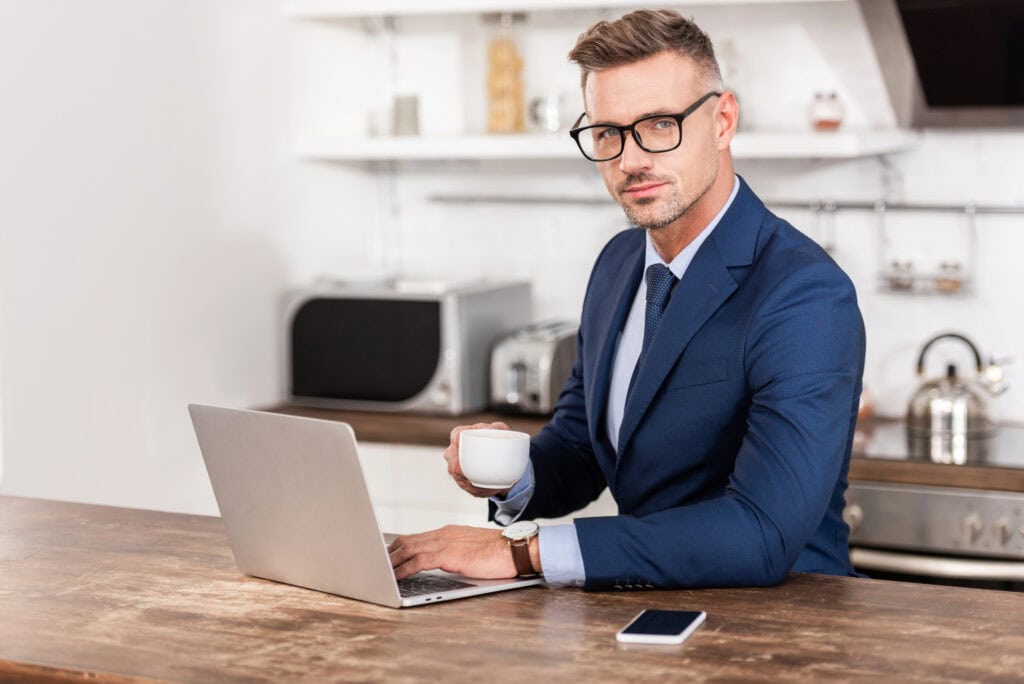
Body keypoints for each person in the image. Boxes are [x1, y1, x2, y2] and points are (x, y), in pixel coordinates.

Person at [388, 9, 865, 590]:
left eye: (660, 124)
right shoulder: (618, 264)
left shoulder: (804, 294)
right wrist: (507, 474)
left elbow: (761, 533)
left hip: (781, 631)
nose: (630, 159)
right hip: (645, 619)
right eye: (608, 133)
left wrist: (521, 553)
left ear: (723, 120)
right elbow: (581, 450)